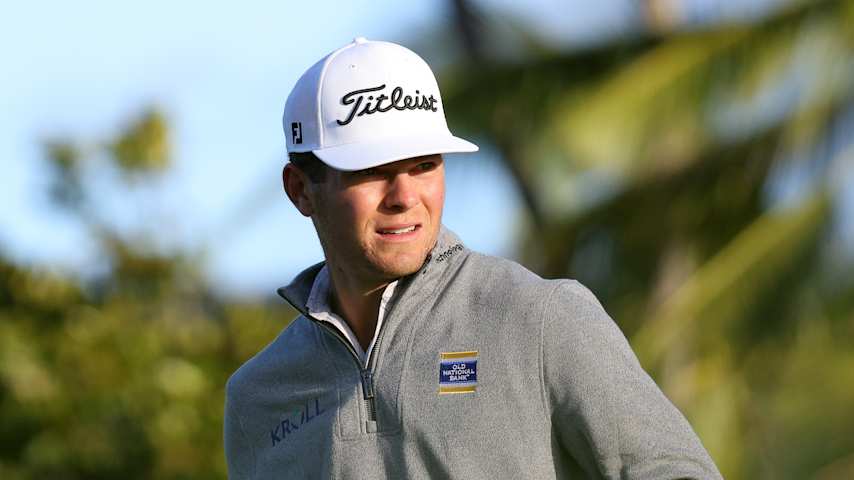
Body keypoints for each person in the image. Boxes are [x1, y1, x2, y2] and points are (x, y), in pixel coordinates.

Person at [224, 37, 722, 479]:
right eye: (372, 170)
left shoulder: (542, 319)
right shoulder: (257, 398)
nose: (404, 195)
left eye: (424, 165)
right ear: (301, 190)